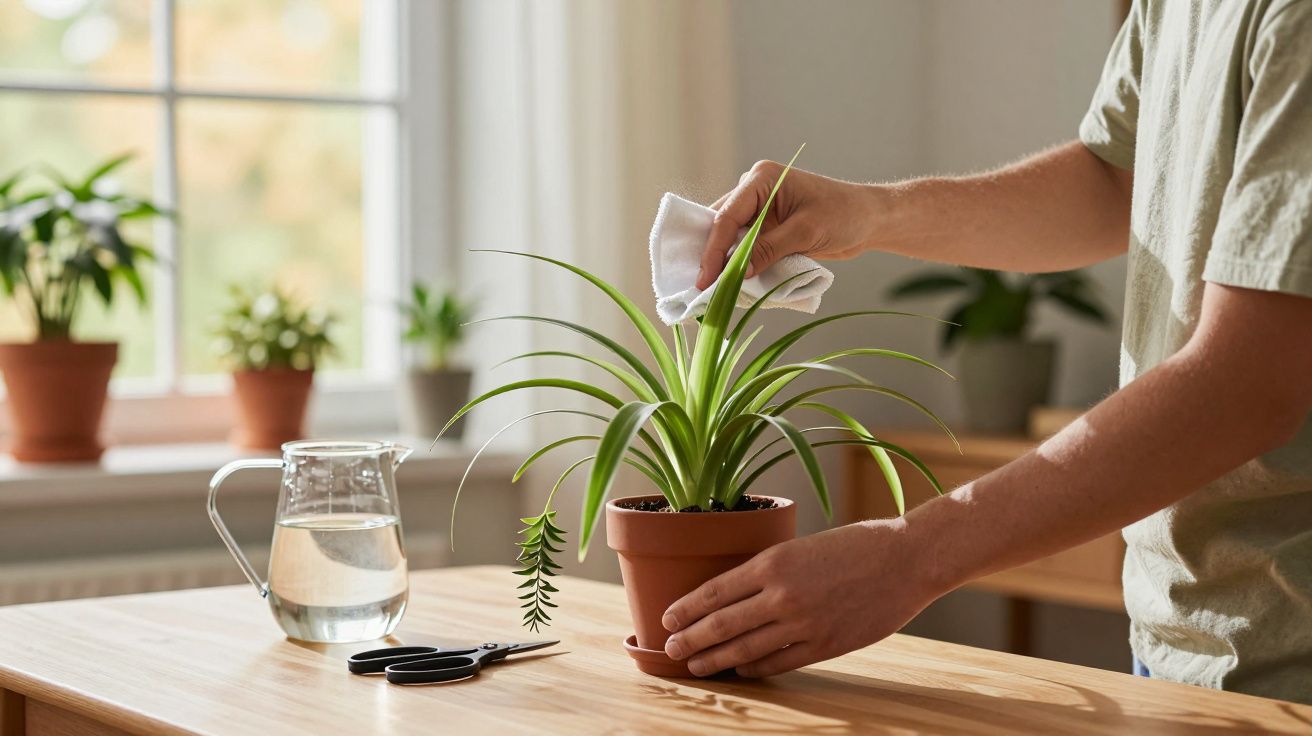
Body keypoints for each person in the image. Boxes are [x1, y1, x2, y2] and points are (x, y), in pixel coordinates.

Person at [659, 0, 1312, 704]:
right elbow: (1115, 177)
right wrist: (874, 213)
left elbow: (1246, 385)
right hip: (1179, 637)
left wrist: (907, 557)